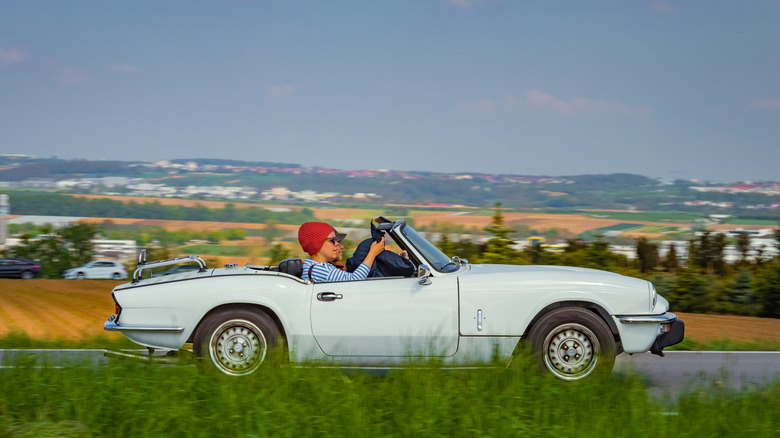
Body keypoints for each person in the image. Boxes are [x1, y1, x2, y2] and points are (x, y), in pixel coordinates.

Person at [298, 221, 384, 282]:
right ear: (316, 244)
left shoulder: (311, 266)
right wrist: (372, 253)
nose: (337, 244)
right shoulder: (320, 270)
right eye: (332, 240)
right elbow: (354, 280)